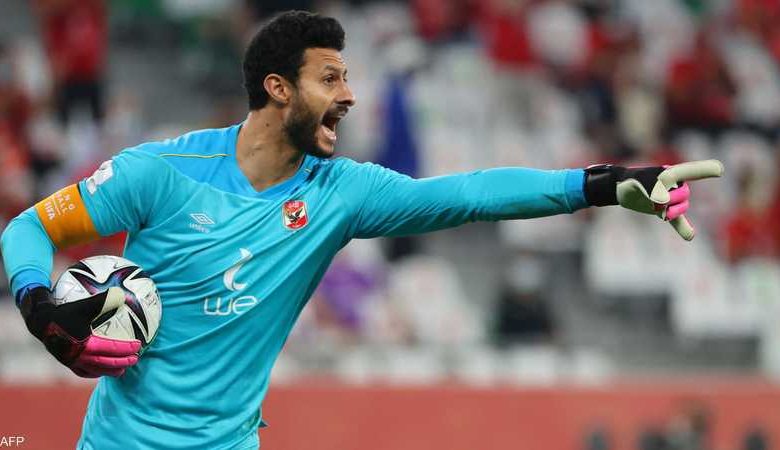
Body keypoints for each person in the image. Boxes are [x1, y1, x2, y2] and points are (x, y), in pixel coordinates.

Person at [0, 10, 724, 450]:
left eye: (348, 78)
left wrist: (599, 184)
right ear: (278, 89)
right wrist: (36, 302)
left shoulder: (340, 193)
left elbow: (467, 193)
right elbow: (28, 229)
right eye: (330, 79)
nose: (349, 95)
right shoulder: (161, 173)